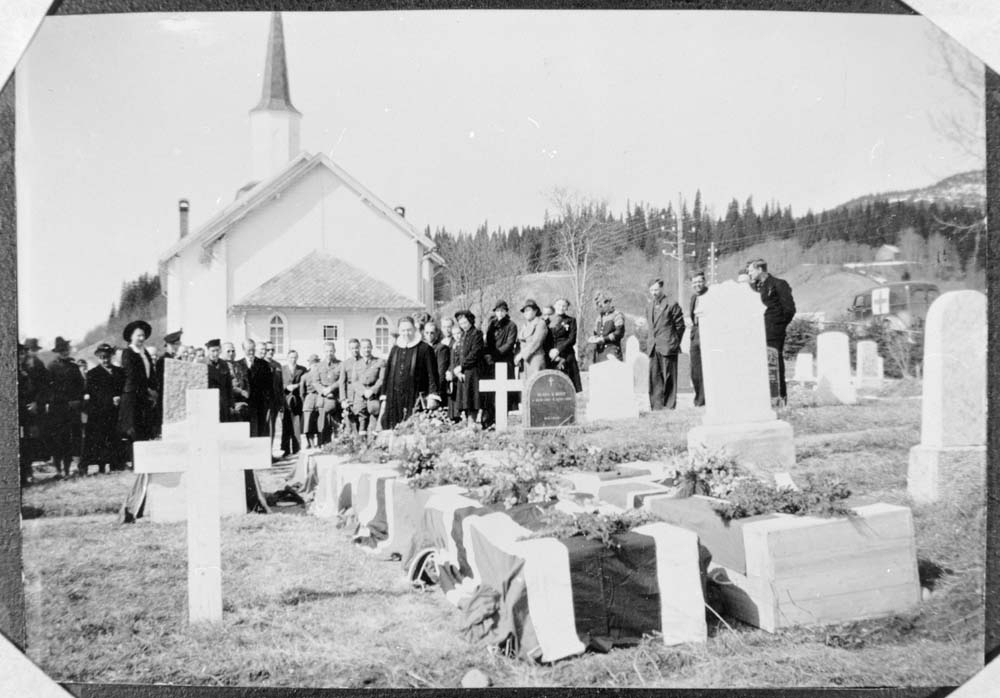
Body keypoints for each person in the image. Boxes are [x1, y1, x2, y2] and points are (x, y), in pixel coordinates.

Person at [747, 258, 797, 404]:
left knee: (775, 365)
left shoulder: (779, 284)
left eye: (751, 271)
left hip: (773, 333)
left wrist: (777, 327)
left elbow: (789, 309)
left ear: (760, 269)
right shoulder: (755, 288)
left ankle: (779, 397)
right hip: (757, 333)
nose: (749, 274)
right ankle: (763, 399)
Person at [380, 316, 441, 430]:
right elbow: (387, 374)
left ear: (414, 329)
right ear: (399, 331)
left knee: (414, 429)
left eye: (409, 330)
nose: (406, 333)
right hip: (395, 398)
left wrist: (433, 395)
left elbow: (433, 375)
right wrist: (384, 396)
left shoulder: (425, 349)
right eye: (403, 330)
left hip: (415, 396)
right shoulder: (395, 349)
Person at [117, 320, 157, 464]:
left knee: (143, 426)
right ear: (131, 337)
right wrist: (146, 389)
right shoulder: (128, 353)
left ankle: (142, 459)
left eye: (143, 336)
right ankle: (134, 461)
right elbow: (133, 375)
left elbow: (150, 373)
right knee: (132, 428)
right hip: (132, 394)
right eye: (138, 336)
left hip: (143, 394)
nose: (141, 339)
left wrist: (153, 388)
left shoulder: (144, 352)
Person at [82, 343, 125, 474]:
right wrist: (110, 399)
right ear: (97, 358)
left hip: (115, 412)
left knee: (115, 438)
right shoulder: (92, 374)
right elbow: (94, 393)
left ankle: (115, 465)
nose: (105, 360)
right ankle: (101, 466)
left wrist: (120, 397)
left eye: (107, 357)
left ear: (111, 356)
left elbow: (123, 389)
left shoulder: (119, 372)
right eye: (101, 357)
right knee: (100, 439)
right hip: (100, 413)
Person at [46, 336, 85, 477]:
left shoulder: (74, 367)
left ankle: (68, 470)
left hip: (72, 409)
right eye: (61, 350)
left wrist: (78, 401)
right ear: (57, 351)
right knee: (58, 440)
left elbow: (81, 387)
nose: (64, 352)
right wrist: (57, 401)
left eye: (66, 349)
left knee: (70, 440)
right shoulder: (51, 367)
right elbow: (47, 389)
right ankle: (58, 470)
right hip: (57, 409)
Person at [645, 278, 686, 410]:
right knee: (654, 377)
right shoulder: (649, 306)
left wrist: (673, 340)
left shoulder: (671, 304)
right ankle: (656, 406)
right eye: (651, 290)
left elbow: (680, 326)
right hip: (653, 347)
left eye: (656, 289)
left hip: (668, 346)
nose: (654, 293)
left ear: (662, 289)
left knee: (669, 377)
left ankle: (669, 406)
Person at [231, 339, 273, 438]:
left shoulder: (263, 364)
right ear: (243, 349)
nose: (251, 352)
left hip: (260, 403)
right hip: (245, 403)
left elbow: (268, 385)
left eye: (253, 349)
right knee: (246, 430)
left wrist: (267, 401)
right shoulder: (237, 364)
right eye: (248, 350)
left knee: (260, 429)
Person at [484, 300, 519, 418]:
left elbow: (509, 344)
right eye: (498, 311)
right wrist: (487, 355)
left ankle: (503, 416)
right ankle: (491, 418)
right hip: (491, 362)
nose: (500, 313)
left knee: (505, 392)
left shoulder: (511, 325)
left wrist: (495, 354)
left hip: (505, 361)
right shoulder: (491, 325)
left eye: (502, 310)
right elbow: (487, 342)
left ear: (506, 311)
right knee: (492, 391)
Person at [452, 310, 485, 424]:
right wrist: (459, 371)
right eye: (461, 323)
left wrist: (462, 366)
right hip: (463, 372)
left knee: (472, 400)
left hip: (473, 371)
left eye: (465, 322)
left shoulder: (477, 334)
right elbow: (458, 354)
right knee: (464, 400)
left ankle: (472, 423)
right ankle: (467, 423)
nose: (463, 325)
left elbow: (475, 353)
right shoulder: (463, 335)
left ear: (470, 321)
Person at [18, 343, 43, 485]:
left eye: (22, 354)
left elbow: (38, 390)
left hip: (28, 415)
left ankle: (27, 473)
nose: (20, 357)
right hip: (16, 413)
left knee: (27, 444)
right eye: (18, 354)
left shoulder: (29, 371)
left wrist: (35, 403)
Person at [350, 339, 385, 435]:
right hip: (361, 397)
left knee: (374, 420)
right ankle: (362, 446)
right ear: (361, 349)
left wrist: (372, 390)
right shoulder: (356, 364)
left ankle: (373, 445)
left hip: (373, 396)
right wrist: (363, 392)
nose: (366, 350)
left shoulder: (379, 362)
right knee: (362, 423)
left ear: (372, 347)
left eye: (368, 347)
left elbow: (381, 379)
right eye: (364, 347)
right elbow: (354, 381)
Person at [310, 341, 343, 444]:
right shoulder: (318, 366)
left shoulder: (340, 364)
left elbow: (341, 380)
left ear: (335, 351)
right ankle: (323, 444)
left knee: (337, 423)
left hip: (336, 396)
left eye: (331, 351)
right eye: (327, 351)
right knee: (323, 423)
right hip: (323, 397)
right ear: (324, 352)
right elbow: (315, 382)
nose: (329, 353)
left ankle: (338, 445)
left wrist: (331, 388)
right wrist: (323, 391)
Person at [153, 329, 183, 438]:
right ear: (169, 345)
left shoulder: (177, 358)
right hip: (165, 395)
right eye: (175, 344)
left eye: (178, 344)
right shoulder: (163, 360)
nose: (177, 346)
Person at [549, 298, 583, 392]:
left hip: (566, 354)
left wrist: (558, 350)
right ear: (555, 306)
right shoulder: (549, 320)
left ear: (567, 308)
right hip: (551, 355)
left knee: (568, 386)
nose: (561, 307)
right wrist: (552, 352)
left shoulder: (571, 320)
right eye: (559, 305)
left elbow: (571, 339)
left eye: (564, 306)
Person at [279, 349, 308, 455]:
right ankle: (285, 450)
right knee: (286, 425)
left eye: (295, 357)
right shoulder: (282, 369)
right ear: (287, 358)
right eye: (291, 357)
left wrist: (297, 386)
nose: (293, 359)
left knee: (296, 425)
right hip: (285, 400)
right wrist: (286, 387)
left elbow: (305, 382)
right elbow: (278, 384)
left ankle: (296, 449)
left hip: (297, 400)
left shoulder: (302, 369)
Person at [514, 299, 548, 380]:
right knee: (524, 388)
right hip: (523, 362)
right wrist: (517, 356)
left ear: (535, 311)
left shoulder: (540, 323)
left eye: (528, 310)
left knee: (536, 387)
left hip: (536, 360)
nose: (526, 313)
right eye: (524, 311)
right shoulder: (524, 326)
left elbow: (536, 342)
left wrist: (522, 354)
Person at [689, 272, 709, 407]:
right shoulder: (693, 298)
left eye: (699, 282)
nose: (697, 285)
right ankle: (699, 399)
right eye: (694, 283)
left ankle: (706, 398)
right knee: (695, 370)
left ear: (704, 281)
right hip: (696, 334)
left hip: (708, 333)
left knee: (708, 367)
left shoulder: (711, 295)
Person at [588, 292, 626, 363]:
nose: (600, 306)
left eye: (603, 303)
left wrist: (604, 339)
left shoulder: (617, 315)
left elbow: (619, 333)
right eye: (598, 305)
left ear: (608, 302)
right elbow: (596, 333)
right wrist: (594, 338)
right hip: (599, 353)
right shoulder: (599, 318)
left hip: (612, 351)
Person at [263, 341, 285, 455]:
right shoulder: (261, 364)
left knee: (272, 428)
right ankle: (264, 454)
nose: (270, 352)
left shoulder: (277, 365)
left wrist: (281, 402)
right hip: (265, 402)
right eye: (268, 350)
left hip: (275, 401)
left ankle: (269, 453)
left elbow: (280, 385)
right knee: (266, 427)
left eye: (272, 350)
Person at [423, 321, 449, 411]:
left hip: (435, 389)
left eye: (432, 333)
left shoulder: (441, 348)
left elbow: (441, 371)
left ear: (437, 334)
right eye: (427, 333)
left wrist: (436, 392)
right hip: (423, 389)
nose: (429, 335)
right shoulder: (422, 348)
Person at [339, 339, 363, 433]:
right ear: (349, 349)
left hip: (361, 394)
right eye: (352, 348)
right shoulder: (345, 363)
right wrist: (343, 399)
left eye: (356, 348)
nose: (355, 350)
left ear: (359, 348)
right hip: (350, 396)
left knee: (361, 419)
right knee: (350, 421)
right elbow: (342, 382)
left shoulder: (363, 361)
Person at [301, 354, 321, 448]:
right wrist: (305, 400)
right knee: (308, 423)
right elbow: (302, 392)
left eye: (316, 363)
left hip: (319, 398)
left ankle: (320, 443)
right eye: (313, 363)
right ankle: (311, 443)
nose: (314, 365)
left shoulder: (321, 375)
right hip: (309, 399)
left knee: (319, 422)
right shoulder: (305, 376)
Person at [446, 322, 464, 422]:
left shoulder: (463, 345)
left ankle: (459, 416)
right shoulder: (453, 345)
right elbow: (451, 361)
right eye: (454, 334)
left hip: (459, 373)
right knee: (451, 394)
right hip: (452, 372)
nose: (457, 336)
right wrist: (448, 371)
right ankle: (452, 417)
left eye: (458, 333)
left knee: (459, 396)